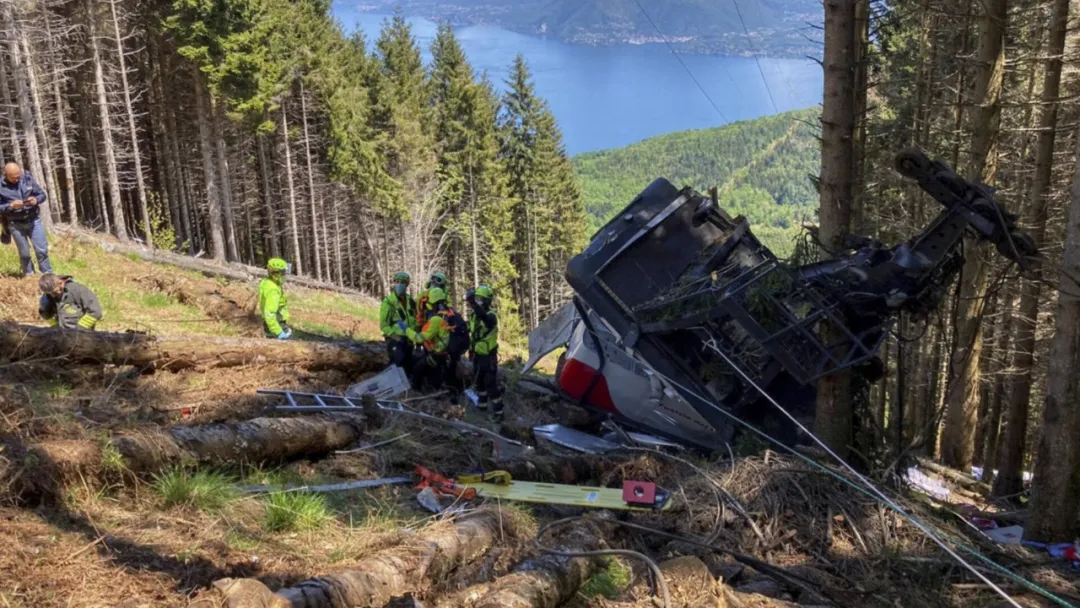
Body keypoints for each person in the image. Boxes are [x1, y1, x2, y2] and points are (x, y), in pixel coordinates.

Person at [407, 287, 466, 403]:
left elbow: (419, 338)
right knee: (442, 377)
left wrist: (407, 330)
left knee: (417, 370)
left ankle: (418, 395)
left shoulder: (436, 320)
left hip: (437, 355)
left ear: (431, 304)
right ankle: (445, 394)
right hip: (448, 355)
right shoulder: (450, 315)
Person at [0, 162, 51, 276]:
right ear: (5, 175)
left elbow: (42, 195)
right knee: (24, 254)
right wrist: (11, 206)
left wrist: (35, 200)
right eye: (13, 178)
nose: (17, 179)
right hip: (15, 223)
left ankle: (47, 275)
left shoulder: (27, 179)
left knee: (41, 250)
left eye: (18, 176)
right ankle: (29, 275)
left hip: (33, 220)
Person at [467, 285, 503, 420]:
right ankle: (482, 406)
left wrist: (473, 303)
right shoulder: (473, 316)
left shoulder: (491, 316)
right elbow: (473, 335)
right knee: (479, 382)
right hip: (477, 354)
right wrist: (471, 350)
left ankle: (499, 412)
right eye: (476, 299)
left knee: (490, 384)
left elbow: (486, 321)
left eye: (480, 299)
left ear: (487, 301)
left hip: (489, 356)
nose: (478, 301)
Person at [380, 271, 419, 376]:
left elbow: (415, 319)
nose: (399, 284)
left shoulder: (410, 301)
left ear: (407, 284)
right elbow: (384, 325)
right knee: (396, 364)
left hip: (409, 339)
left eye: (402, 282)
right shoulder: (388, 302)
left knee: (408, 366)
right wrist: (397, 338)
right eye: (397, 282)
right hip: (396, 340)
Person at [259, 258, 292, 339]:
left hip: (272, 325)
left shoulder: (268, 282)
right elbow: (269, 313)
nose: (285, 276)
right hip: (276, 325)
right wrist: (279, 332)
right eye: (283, 273)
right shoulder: (273, 291)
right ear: (276, 274)